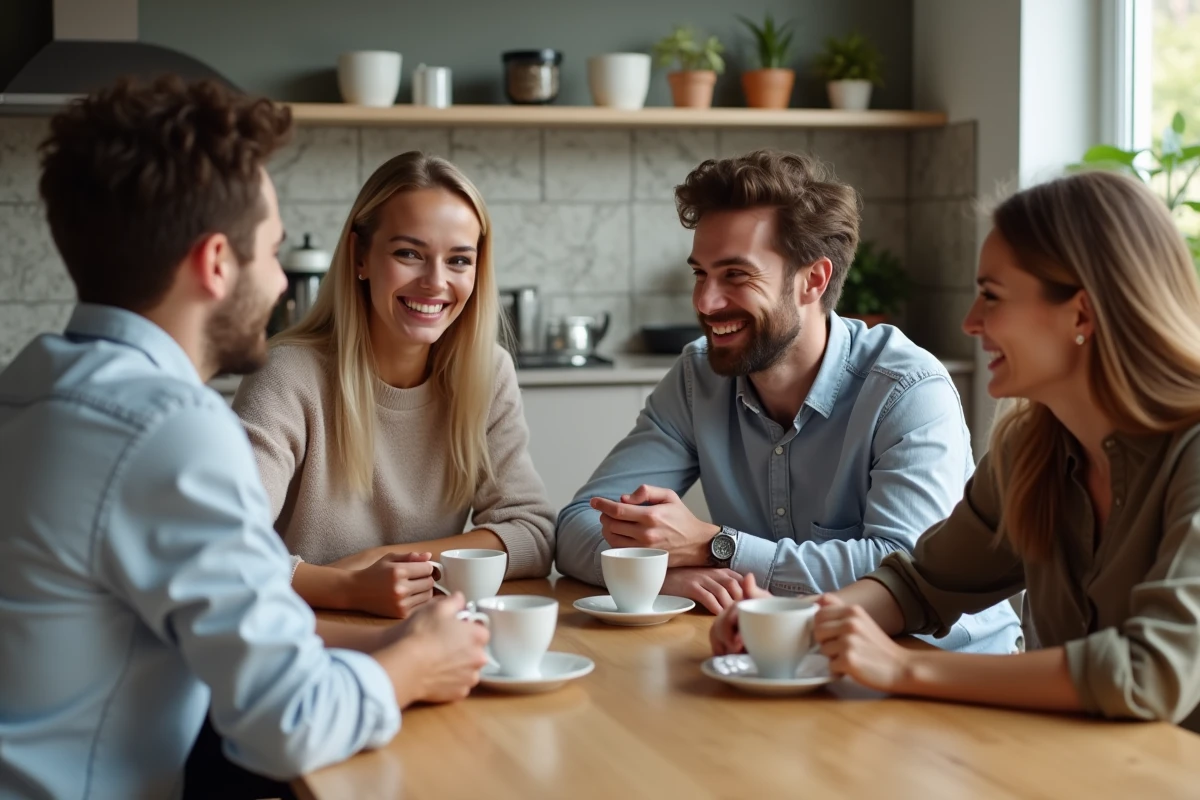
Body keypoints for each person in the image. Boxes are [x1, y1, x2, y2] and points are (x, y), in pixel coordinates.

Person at [0, 77, 489, 800]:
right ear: (215, 264)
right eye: (271, 251)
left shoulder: (28, 385)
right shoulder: (171, 433)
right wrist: (416, 664)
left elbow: (234, 624)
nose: (282, 283)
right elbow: (288, 723)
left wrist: (389, 639)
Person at [712, 170, 1200, 731]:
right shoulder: (1032, 449)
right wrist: (792, 623)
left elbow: (1150, 671)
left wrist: (904, 669)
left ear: (1081, 314)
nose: (971, 322)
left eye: (992, 296)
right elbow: (924, 582)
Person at [556, 149, 1019, 654]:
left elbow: (904, 567)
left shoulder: (906, 389)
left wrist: (716, 546)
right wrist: (662, 576)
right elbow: (578, 524)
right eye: (700, 274)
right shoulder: (697, 378)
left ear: (813, 280)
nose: (705, 302)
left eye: (736, 275)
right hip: (794, 655)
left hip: (942, 661)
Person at [232, 151, 555, 620]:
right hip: (303, 635)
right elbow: (225, 547)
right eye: (409, 254)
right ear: (360, 256)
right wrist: (347, 588)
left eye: (459, 260)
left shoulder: (487, 373)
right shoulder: (286, 373)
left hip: (425, 635)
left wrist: (382, 561)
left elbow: (532, 534)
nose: (435, 282)